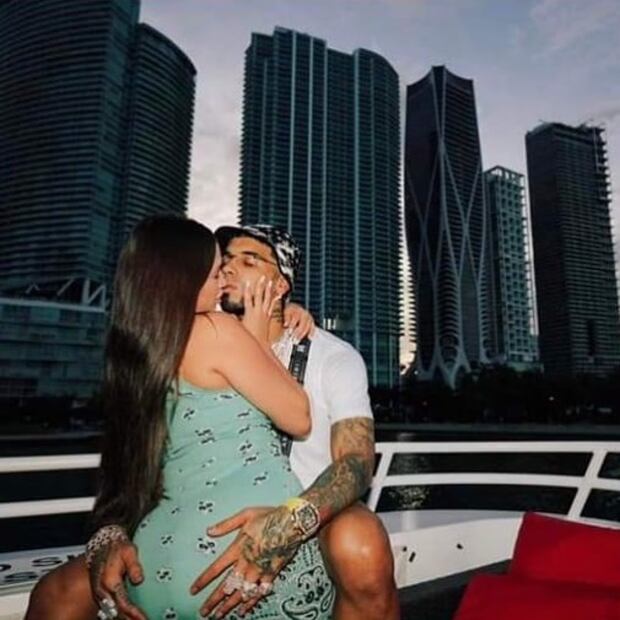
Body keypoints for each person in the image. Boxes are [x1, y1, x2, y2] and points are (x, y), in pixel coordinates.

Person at [26, 224, 399, 620]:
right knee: (58, 592)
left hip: (309, 507)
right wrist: (110, 530)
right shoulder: (189, 336)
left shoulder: (332, 356)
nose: (229, 269)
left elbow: (356, 461)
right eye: (224, 261)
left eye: (248, 261)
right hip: (196, 519)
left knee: (360, 540)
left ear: (281, 284)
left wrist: (288, 523)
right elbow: (132, 451)